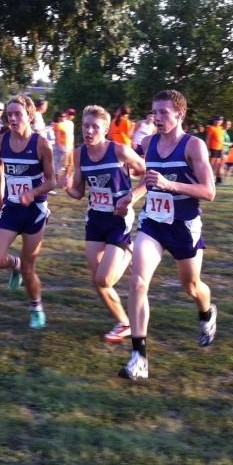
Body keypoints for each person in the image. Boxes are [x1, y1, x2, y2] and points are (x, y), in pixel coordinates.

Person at [120, 89, 216, 381]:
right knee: (137, 281)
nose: (157, 118)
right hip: (153, 222)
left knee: (191, 286)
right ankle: (139, 357)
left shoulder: (194, 146)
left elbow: (209, 191)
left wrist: (170, 185)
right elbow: (150, 182)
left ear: (180, 114)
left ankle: (207, 312)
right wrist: (134, 196)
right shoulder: (149, 143)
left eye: (164, 112)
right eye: (154, 112)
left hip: (184, 226)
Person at [65, 105, 145, 342]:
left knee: (104, 279)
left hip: (118, 218)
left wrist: (132, 196)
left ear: (106, 130)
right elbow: (79, 192)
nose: (88, 131)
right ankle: (123, 322)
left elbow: (149, 176)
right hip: (95, 219)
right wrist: (67, 185)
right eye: (85, 126)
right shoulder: (79, 153)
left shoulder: (120, 150)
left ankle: (129, 250)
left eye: (94, 127)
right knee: (97, 279)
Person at [0, 94, 56, 329]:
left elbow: (52, 181)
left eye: (18, 114)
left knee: (29, 268)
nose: (13, 118)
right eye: (10, 114)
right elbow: (1, 167)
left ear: (30, 116)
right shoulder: (0, 141)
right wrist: (1, 194)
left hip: (35, 210)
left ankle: (36, 306)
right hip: (12, 208)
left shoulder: (41, 144)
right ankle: (12, 264)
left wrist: (32, 193)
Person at [205, 116, 225, 184]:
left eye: (219, 120)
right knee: (211, 165)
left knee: (217, 165)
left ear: (222, 122)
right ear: (214, 121)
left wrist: (222, 150)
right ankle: (207, 178)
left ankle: (214, 178)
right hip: (213, 148)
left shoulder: (221, 129)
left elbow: (221, 140)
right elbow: (208, 139)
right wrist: (208, 150)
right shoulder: (211, 128)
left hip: (219, 149)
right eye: (216, 120)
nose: (218, 122)